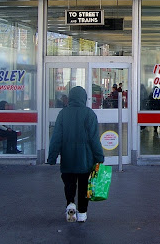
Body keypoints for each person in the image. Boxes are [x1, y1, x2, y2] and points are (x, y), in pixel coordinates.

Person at [47, 86, 105, 223]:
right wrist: (99, 156)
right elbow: (94, 139)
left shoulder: (63, 114)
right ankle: (82, 213)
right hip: (85, 159)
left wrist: (52, 156)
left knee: (69, 184)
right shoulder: (89, 114)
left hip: (67, 158)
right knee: (84, 186)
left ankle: (70, 203)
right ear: (84, 98)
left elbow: (56, 138)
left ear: (70, 97)